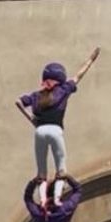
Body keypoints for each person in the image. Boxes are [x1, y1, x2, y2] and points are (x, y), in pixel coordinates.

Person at [15, 50, 99, 179]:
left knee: (41, 170)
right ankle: (60, 186)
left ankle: (41, 186)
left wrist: (31, 118)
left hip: (39, 131)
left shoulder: (36, 95)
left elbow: (18, 102)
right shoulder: (63, 90)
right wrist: (90, 61)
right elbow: (78, 76)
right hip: (56, 131)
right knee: (61, 166)